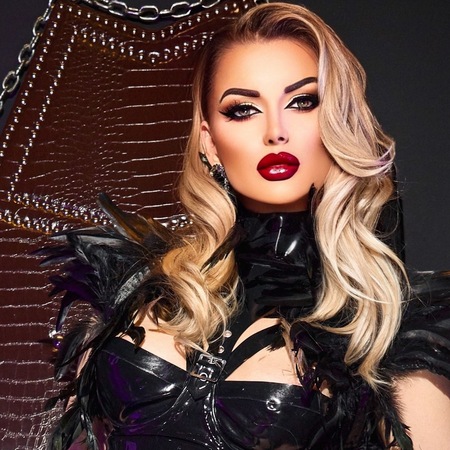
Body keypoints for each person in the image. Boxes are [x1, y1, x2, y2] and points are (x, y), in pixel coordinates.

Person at [39, 3, 450, 449]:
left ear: (339, 123)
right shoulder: (137, 288)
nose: (275, 131)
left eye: (302, 102)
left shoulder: (390, 332)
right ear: (210, 143)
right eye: (242, 109)